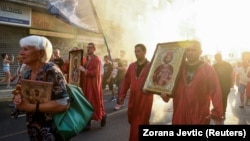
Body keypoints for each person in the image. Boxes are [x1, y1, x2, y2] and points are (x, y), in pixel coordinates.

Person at [13, 35, 70, 141]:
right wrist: (19, 100)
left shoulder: (51, 71)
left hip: (53, 131)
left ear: (40, 53)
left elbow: (63, 103)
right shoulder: (27, 73)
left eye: (26, 49)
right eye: (21, 49)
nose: (21, 53)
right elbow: (24, 101)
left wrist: (30, 107)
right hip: (34, 130)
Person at [160, 40, 224, 125]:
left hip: (199, 115)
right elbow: (169, 86)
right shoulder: (178, 68)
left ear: (200, 52)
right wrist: (165, 94)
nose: (190, 53)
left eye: (193, 50)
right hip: (179, 114)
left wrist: (217, 113)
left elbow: (216, 91)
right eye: (188, 50)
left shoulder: (208, 69)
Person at [114, 44, 153, 141]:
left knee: (140, 122)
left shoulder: (151, 66)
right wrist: (122, 95)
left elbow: (156, 82)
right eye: (135, 51)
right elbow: (126, 82)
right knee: (133, 120)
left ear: (144, 52)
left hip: (145, 98)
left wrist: (152, 90)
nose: (136, 53)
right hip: (133, 99)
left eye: (139, 51)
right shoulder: (131, 66)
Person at [79, 42, 106, 130]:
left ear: (94, 49)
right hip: (85, 84)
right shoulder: (85, 58)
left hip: (93, 84)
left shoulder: (97, 59)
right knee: (86, 102)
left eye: (90, 48)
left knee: (92, 102)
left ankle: (91, 121)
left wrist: (84, 70)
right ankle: (98, 117)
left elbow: (94, 73)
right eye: (87, 47)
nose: (88, 49)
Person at [213, 53, 234, 118]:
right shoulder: (214, 66)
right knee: (217, 99)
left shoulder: (228, 65)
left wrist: (232, 83)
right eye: (216, 58)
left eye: (218, 58)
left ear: (221, 57)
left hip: (226, 85)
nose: (217, 59)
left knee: (224, 99)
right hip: (217, 86)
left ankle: (223, 112)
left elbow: (231, 75)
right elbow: (212, 76)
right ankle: (218, 111)